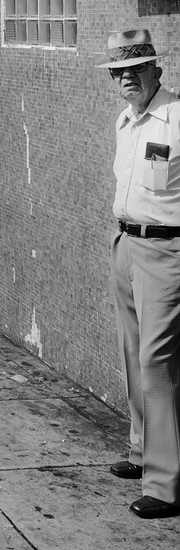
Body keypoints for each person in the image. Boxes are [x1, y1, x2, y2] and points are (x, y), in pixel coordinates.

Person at [97, 29, 180, 519]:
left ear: (158, 70)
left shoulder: (177, 119)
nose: (127, 77)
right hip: (126, 243)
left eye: (137, 68)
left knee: (158, 361)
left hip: (167, 250)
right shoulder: (125, 122)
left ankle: (166, 484)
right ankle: (141, 453)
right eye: (119, 71)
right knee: (132, 352)